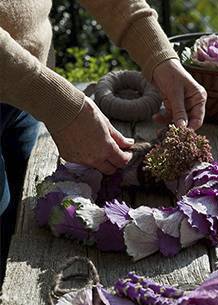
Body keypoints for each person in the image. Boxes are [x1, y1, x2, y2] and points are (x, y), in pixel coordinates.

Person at [0, 0, 207, 285]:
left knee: (17, 225)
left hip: (26, 93)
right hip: (32, 86)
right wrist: (59, 106)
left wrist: (159, 55)